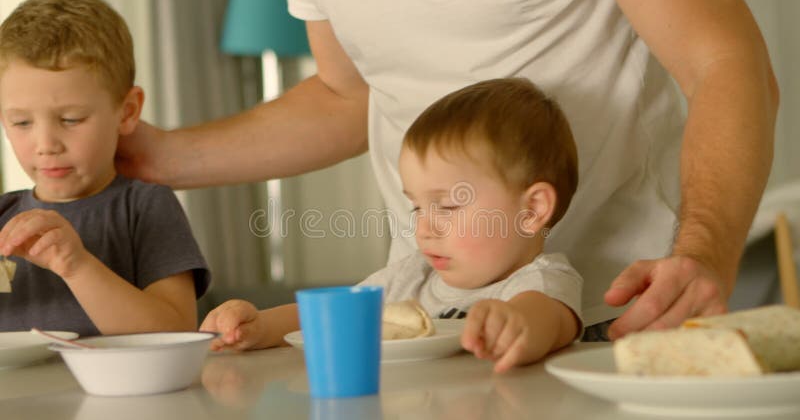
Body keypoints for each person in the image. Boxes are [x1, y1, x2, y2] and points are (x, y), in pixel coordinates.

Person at [116, 0, 779, 340]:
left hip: (623, 309)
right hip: (429, 322)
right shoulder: (409, 273)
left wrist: (705, 254)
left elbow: (724, 62)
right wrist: (163, 158)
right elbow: (346, 95)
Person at [201, 78, 583, 372]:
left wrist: (514, 323)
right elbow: (336, 315)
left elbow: (543, 322)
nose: (425, 229)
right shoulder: (411, 277)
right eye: (416, 207)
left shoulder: (542, 283)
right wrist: (257, 327)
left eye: (448, 206)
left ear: (531, 209)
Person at [0, 0, 210, 337]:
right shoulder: (3, 215)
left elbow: (175, 331)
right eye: (21, 122)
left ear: (127, 112)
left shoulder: (145, 207)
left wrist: (76, 265)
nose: (46, 144)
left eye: (71, 119)